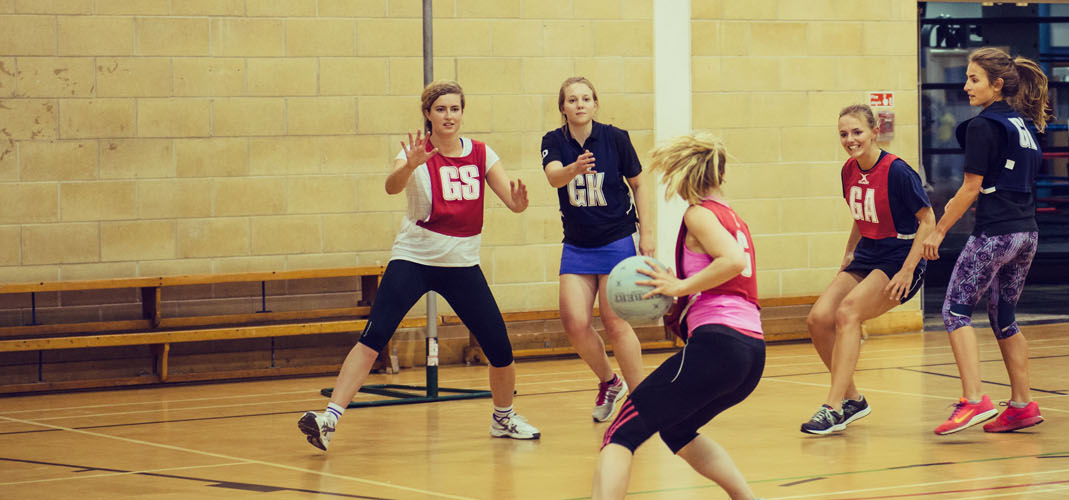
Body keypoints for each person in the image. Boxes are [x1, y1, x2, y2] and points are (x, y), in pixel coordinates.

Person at [298, 80, 538, 451]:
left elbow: (511, 200)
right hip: (414, 259)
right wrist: (408, 166)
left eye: (455, 109)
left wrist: (520, 204)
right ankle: (329, 417)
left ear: (462, 113)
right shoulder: (415, 152)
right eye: (441, 109)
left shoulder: (482, 154)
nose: (449, 116)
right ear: (427, 113)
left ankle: (503, 418)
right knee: (374, 337)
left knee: (499, 345)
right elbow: (392, 187)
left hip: (461, 264)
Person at [592, 132, 763, 500]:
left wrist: (678, 288)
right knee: (678, 430)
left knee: (620, 433)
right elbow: (729, 273)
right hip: (751, 354)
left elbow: (732, 262)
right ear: (720, 174)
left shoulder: (700, 214)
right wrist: (680, 296)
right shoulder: (731, 217)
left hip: (719, 346)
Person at [920, 47, 1049, 435]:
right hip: (1027, 234)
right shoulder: (1022, 125)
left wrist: (939, 230)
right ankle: (1023, 405)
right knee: (1004, 317)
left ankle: (975, 400)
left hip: (996, 234)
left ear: (997, 84)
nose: (966, 86)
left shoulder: (982, 126)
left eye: (974, 79)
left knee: (955, 312)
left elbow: (969, 188)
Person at [800, 105, 936, 435]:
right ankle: (853, 400)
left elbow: (928, 220)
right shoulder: (849, 170)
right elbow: (863, 215)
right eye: (844, 134)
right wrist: (849, 251)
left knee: (847, 313)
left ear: (874, 131)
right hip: (867, 254)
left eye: (857, 132)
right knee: (818, 319)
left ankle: (832, 407)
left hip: (899, 256)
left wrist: (907, 270)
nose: (850, 139)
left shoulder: (898, 171)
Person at [542, 76, 655, 422]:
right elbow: (553, 177)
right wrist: (573, 169)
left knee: (615, 322)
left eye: (586, 98)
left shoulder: (615, 138)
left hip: (617, 239)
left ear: (595, 104)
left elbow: (639, 184)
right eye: (572, 100)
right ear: (562, 107)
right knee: (574, 323)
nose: (579, 104)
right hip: (577, 244)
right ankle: (609, 381)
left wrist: (646, 234)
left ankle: (643, 402)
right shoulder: (554, 141)